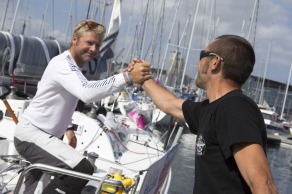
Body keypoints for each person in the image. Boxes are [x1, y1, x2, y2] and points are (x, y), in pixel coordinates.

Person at [13, 19, 151, 194]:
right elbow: (86, 93)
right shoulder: (63, 64)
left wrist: (68, 128)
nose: (93, 49)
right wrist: (127, 77)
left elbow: (61, 99)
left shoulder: (74, 68)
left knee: (34, 189)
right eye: (89, 43)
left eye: (97, 45)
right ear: (74, 40)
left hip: (44, 136)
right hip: (33, 136)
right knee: (82, 170)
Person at [134, 35, 278, 194]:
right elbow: (170, 105)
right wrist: (143, 79)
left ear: (214, 62)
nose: (197, 63)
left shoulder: (235, 108)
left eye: (202, 55)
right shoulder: (212, 109)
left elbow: (264, 185)